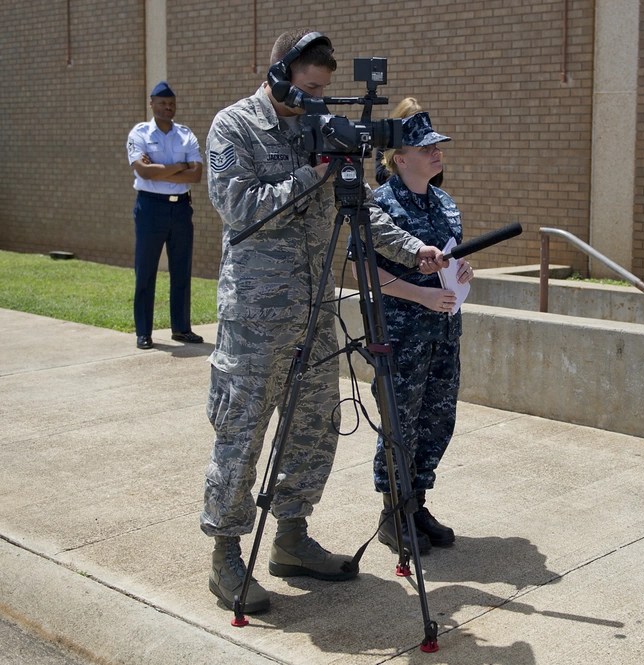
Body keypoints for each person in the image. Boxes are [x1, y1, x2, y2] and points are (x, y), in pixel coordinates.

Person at [201, 29, 446, 614]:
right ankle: (227, 555)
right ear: (280, 73)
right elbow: (238, 207)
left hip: (315, 314)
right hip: (256, 317)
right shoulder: (233, 126)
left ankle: (291, 539)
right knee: (243, 433)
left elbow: (357, 208)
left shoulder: (319, 132)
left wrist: (415, 249)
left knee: (312, 429)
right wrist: (314, 170)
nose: (315, 103)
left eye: (322, 93)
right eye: (307, 90)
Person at [362, 112, 472, 554]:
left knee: (436, 420)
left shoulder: (445, 204)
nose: (436, 152)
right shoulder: (379, 205)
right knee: (399, 422)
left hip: (444, 331)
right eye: (426, 148)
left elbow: (451, 258)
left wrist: (463, 271)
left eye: (436, 146)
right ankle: (393, 512)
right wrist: (419, 296)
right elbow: (362, 271)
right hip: (401, 333)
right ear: (399, 158)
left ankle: (417, 503)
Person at [126, 81, 204, 350]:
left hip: (181, 208)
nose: (167, 107)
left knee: (181, 270)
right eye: (162, 103)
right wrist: (180, 166)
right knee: (145, 271)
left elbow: (196, 175)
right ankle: (143, 332)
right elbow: (143, 172)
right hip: (150, 208)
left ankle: (181, 329)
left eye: (171, 103)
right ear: (152, 104)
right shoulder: (140, 134)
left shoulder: (186, 134)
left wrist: (163, 168)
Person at [374, 97, 444, 188]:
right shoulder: (387, 141)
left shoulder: (442, 199)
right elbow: (380, 175)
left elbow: (437, 178)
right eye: (424, 149)